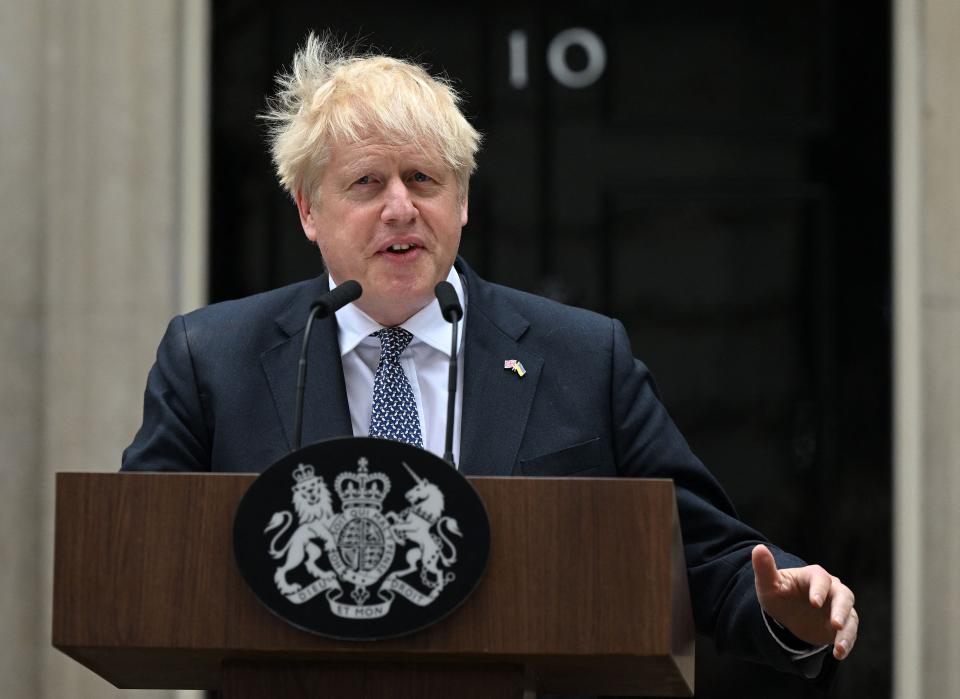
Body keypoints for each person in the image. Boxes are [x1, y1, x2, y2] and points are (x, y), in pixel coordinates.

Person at [122, 33, 858, 686]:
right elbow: (140, 566)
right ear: (308, 208)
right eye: (367, 183)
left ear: (463, 200)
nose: (401, 208)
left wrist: (787, 605)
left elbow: (703, 557)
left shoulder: (582, 356)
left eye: (425, 179)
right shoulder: (213, 358)